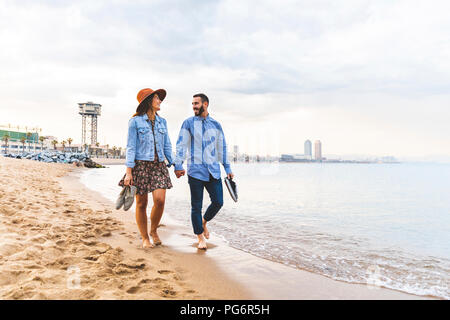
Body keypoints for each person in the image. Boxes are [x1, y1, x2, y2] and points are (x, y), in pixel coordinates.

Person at [174, 93, 234, 250]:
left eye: (196, 103)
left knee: (218, 202)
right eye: (192, 104)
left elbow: (222, 148)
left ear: (205, 104)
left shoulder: (216, 125)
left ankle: (203, 222)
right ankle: (200, 237)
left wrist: (227, 168)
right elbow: (181, 145)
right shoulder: (188, 123)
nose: (194, 106)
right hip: (195, 171)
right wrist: (178, 165)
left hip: (213, 171)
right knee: (196, 206)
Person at [119, 88, 174, 249]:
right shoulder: (135, 122)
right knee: (141, 204)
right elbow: (131, 147)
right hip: (140, 165)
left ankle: (154, 230)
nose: (160, 101)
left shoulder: (162, 122)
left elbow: (167, 146)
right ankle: (145, 238)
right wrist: (129, 172)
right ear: (149, 101)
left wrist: (175, 165)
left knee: (160, 200)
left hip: (158, 166)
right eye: (157, 98)